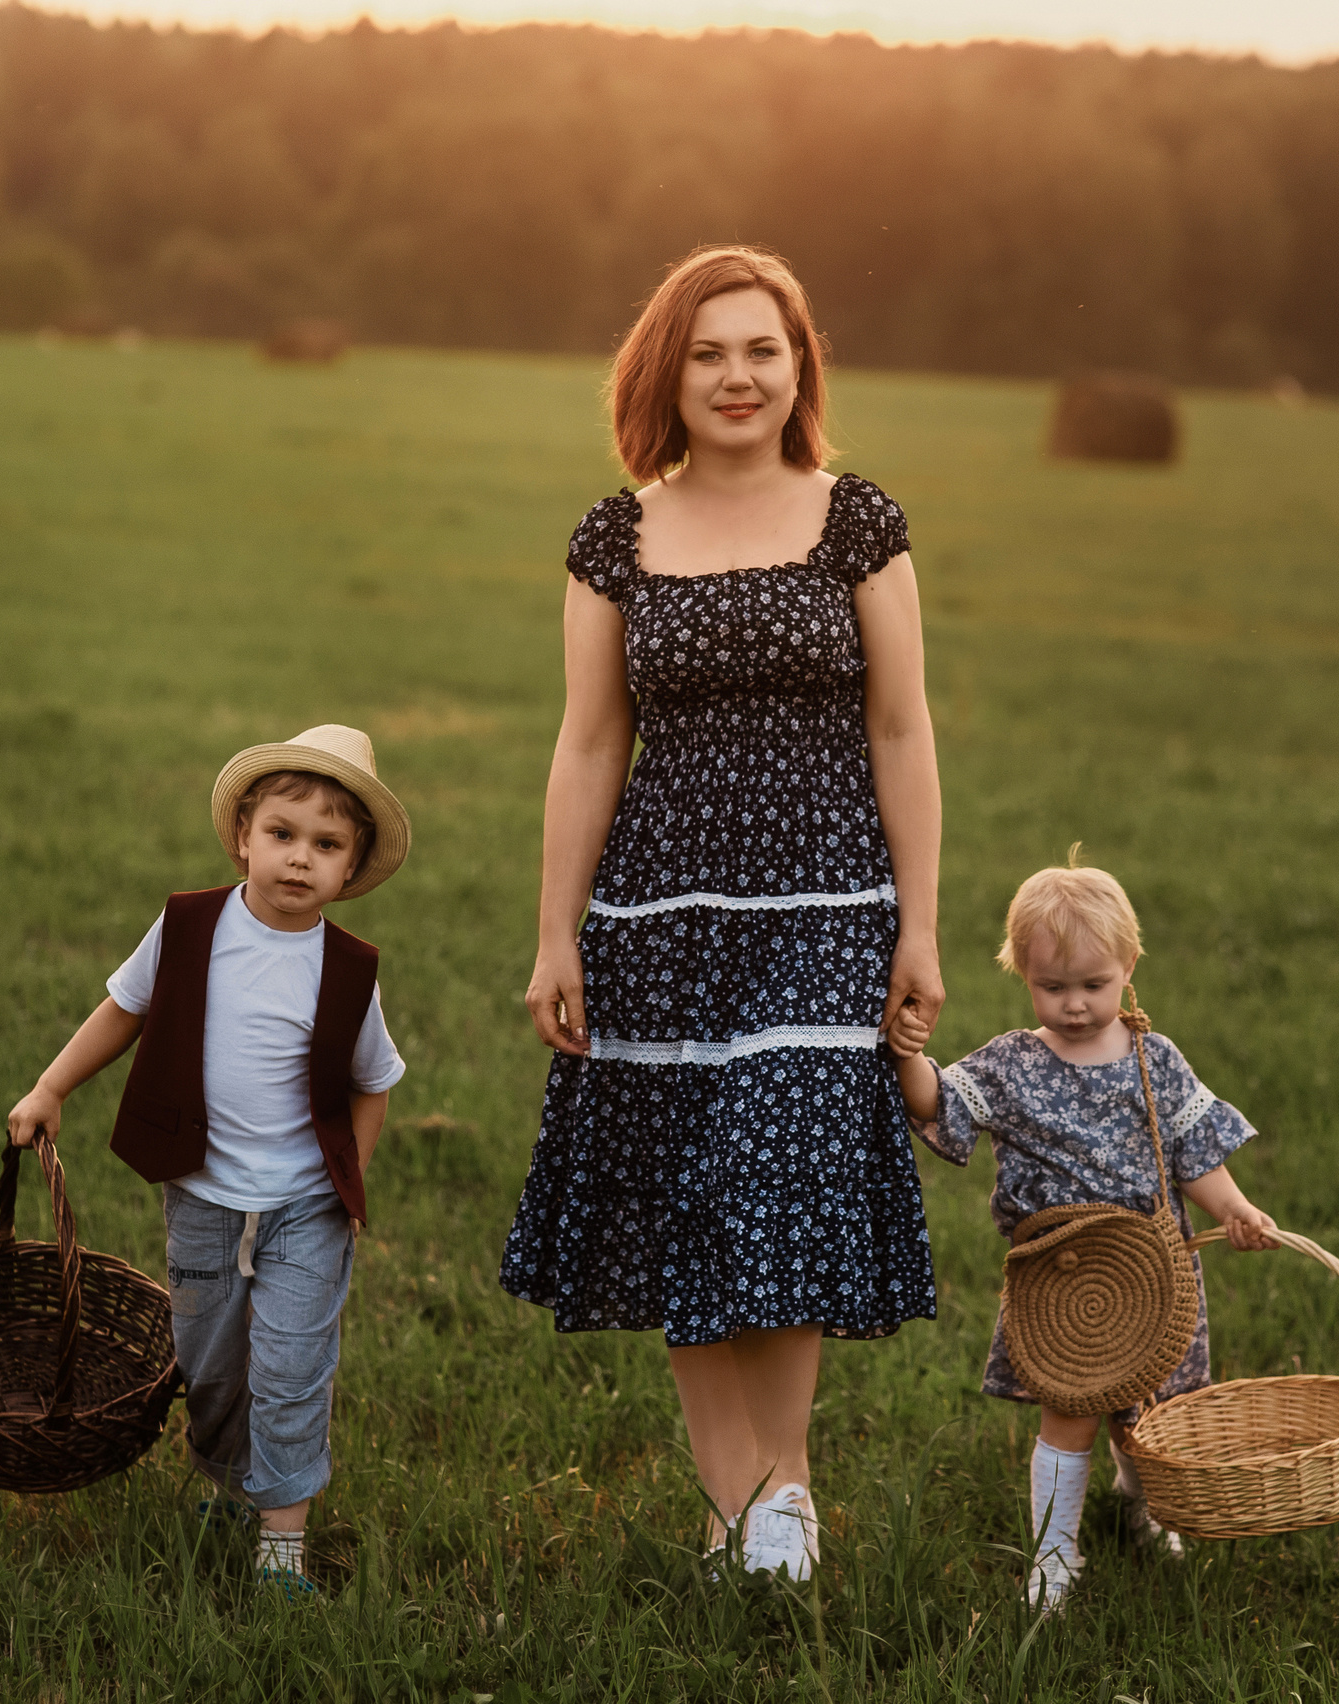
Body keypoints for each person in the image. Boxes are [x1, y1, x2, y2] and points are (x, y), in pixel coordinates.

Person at [497, 245, 946, 1581]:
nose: (738, 376)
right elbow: (587, 746)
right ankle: (748, 1510)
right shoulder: (614, 536)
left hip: (827, 904)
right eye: (709, 353)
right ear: (667, 374)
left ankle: (774, 1491)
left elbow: (903, 728)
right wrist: (555, 933)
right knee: (691, 1192)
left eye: (762, 349)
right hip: (660, 915)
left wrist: (919, 926)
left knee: (783, 1175)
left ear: (800, 364)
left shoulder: (858, 521)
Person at [6, 725, 411, 1592]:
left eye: (326, 845)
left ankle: (281, 1544)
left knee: (292, 1368)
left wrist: (350, 1181)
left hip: (306, 1206)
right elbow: (124, 1009)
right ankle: (230, 1485)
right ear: (243, 837)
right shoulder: (189, 927)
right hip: (203, 1195)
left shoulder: (348, 971)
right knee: (214, 1367)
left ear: (351, 869)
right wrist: (50, 1089)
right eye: (282, 834)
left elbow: (373, 1082)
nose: (300, 859)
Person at [886, 851, 1277, 1614]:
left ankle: (1145, 1507)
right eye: (1051, 986)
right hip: (1067, 1278)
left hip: (1152, 1269)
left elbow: (1193, 1154)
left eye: (1093, 985)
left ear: (1129, 967)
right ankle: (1053, 1555)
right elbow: (939, 1105)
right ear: (1020, 974)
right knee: (1070, 1409)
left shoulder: (1151, 1058)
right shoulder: (1012, 1063)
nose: (1072, 1005)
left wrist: (1232, 1207)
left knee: (1152, 1407)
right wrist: (907, 1060)